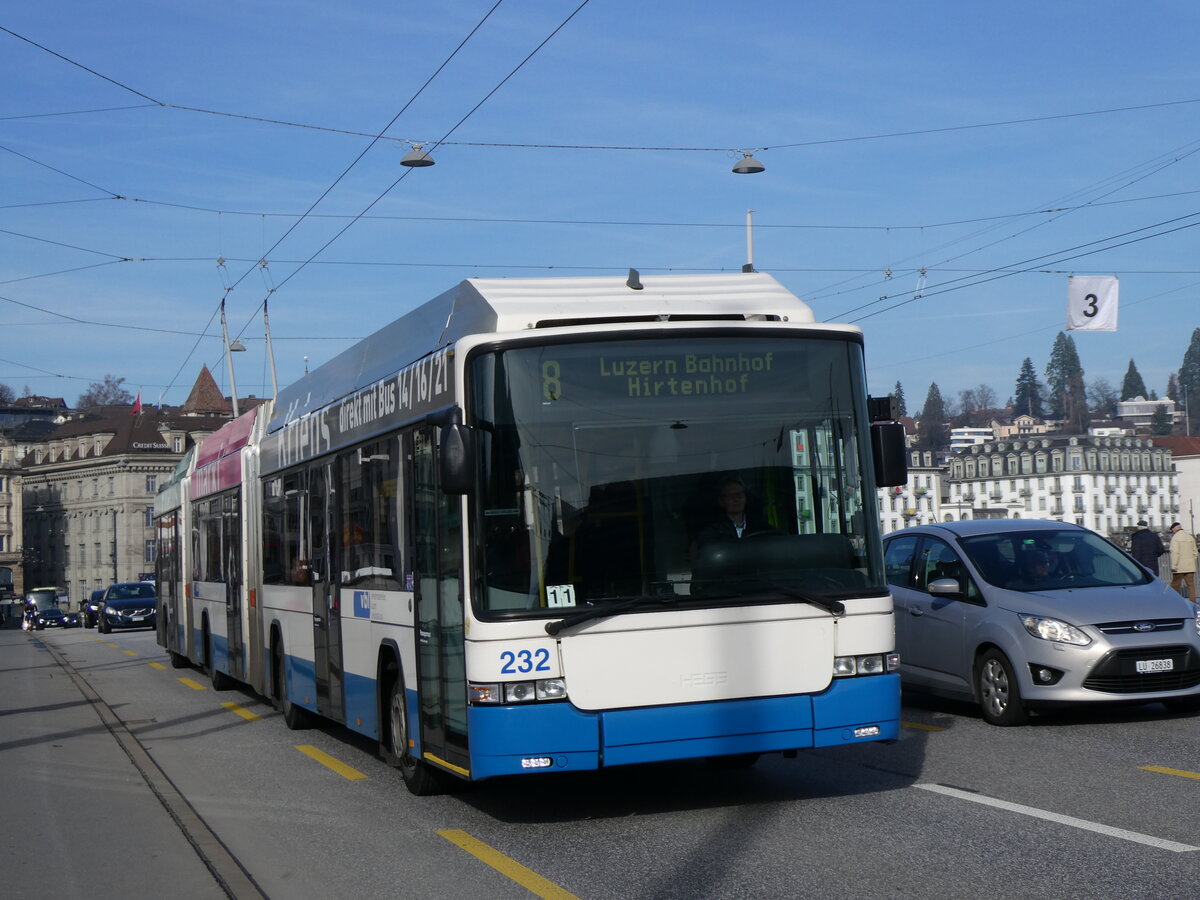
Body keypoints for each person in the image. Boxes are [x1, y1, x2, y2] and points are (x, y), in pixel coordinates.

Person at [695, 477, 770, 546]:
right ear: (721, 501)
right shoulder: (711, 532)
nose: (736, 499)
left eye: (739, 495)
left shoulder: (761, 527)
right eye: (731, 496)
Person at [1168, 522, 1199, 601]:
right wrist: (1191, 560)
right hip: (1190, 566)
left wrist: (1173, 566)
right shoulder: (1190, 537)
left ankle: (1175, 601)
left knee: (1175, 585)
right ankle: (1193, 602)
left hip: (1179, 567)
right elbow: (1195, 552)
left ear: (1174, 529)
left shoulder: (1175, 538)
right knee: (1191, 585)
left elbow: (1175, 553)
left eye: (1172, 530)